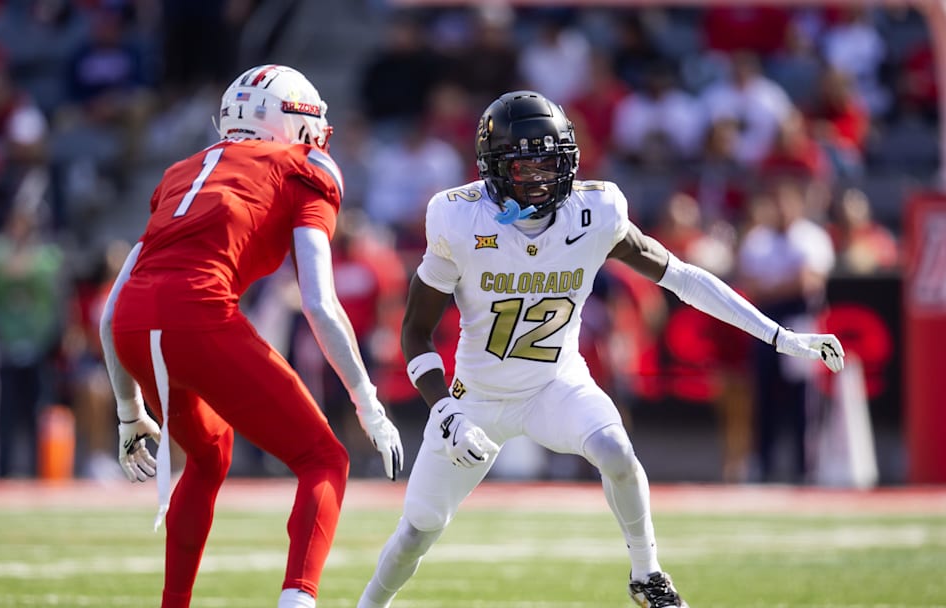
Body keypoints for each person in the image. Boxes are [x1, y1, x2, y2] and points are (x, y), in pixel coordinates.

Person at [356, 91, 845, 608]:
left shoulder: (595, 212)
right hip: (474, 396)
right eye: (526, 164)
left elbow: (681, 277)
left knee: (616, 451)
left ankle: (647, 574)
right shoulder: (457, 218)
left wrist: (779, 336)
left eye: (551, 161)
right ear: (494, 168)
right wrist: (448, 412)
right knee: (417, 531)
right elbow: (415, 331)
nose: (542, 176)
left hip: (555, 383)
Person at [98, 64, 403, 608]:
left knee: (209, 453)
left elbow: (112, 309)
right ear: (289, 120)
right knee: (324, 458)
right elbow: (319, 302)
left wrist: (128, 411)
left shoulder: (182, 171)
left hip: (132, 326)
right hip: (200, 315)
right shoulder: (303, 166)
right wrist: (367, 401)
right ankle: (298, 600)